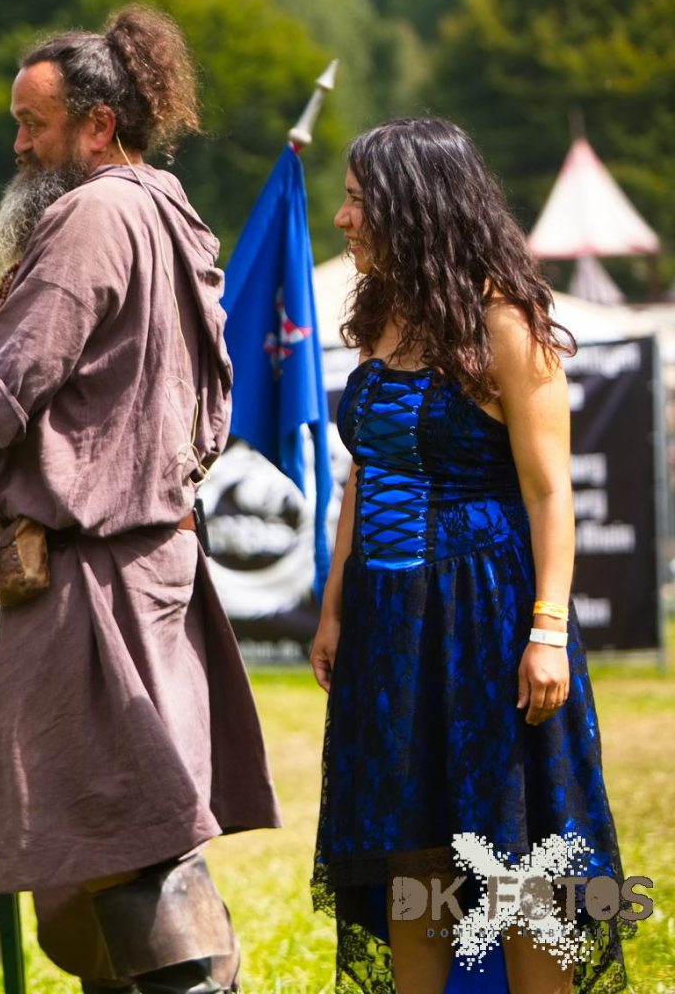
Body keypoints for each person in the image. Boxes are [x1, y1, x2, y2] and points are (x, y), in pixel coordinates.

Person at [0, 4, 281, 994]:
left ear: (98, 124)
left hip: (96, 575)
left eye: (34, 125)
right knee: (140, 830)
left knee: (128, 838)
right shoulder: (171, 209)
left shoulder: (92, 214)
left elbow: (7, 379)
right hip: (151, 558)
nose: (19, 147)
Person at [308, 117, 630, 993]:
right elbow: (366, 474)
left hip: (485, 615)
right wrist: (335, 607)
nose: (342, 218)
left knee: (516, 848)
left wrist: (548, 630)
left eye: (358, 201)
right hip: (388, 620)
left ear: (414, 208)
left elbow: (550, 492)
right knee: (412, 844)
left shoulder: (506, 325)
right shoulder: (382, 314)